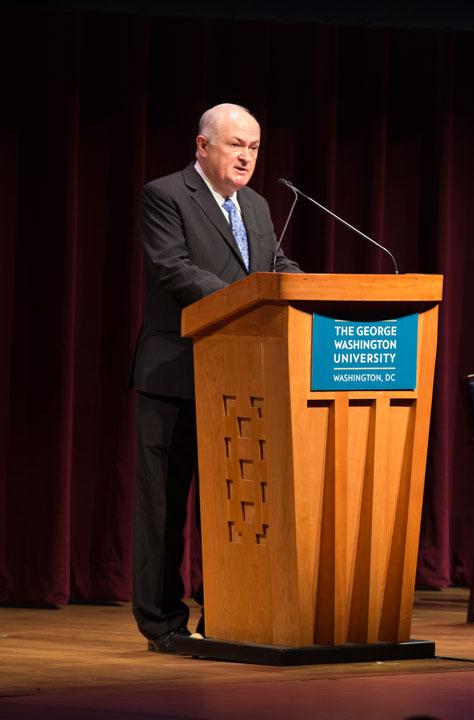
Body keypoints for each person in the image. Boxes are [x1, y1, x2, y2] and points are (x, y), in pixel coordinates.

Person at [130, 103, 302, 652]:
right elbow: (173, 268)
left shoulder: (255, 204)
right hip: (175, 374)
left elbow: (273, 264)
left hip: (243, 381)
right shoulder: (165, 195)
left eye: (253, 147)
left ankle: (228, 610)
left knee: (233, 504)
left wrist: (299, 287)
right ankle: (162, 622)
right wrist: (250, 299)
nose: (247, 157)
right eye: (235, 145)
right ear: (202, 147)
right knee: (164, 506)